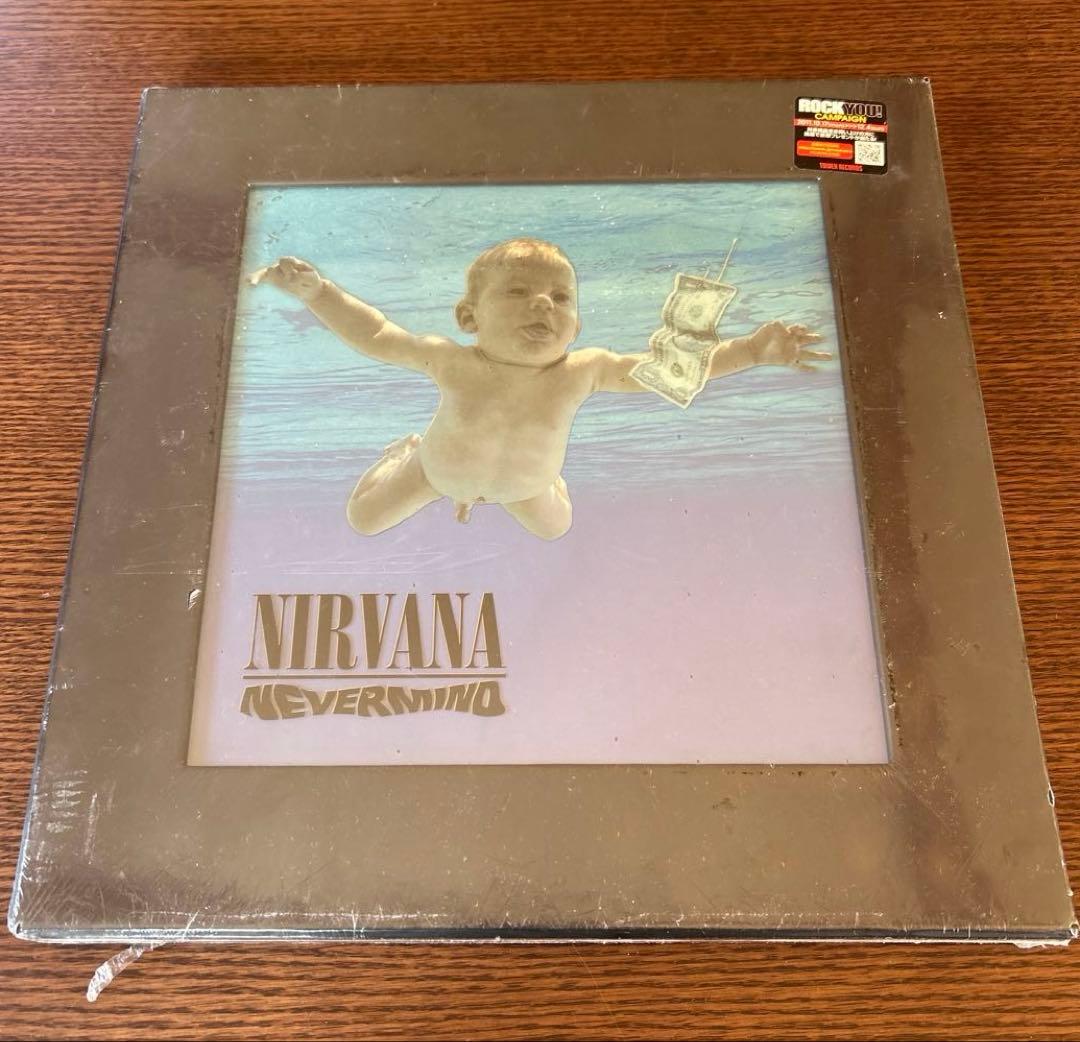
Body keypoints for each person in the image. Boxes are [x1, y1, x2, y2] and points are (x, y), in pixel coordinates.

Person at [251, 238, 827, 540]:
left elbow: (667, 369)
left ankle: (549, 477)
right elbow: (377, 333)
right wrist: (317, 293)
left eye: (561, 297)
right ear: (469, 317)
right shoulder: (452, 360)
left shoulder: (584, 370)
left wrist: (751, 351)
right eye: (518, 292)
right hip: (434, 472)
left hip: (523, 486)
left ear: (577, 326)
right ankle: (403, 452)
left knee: (557, 528)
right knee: (363, 519)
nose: (544, 304)